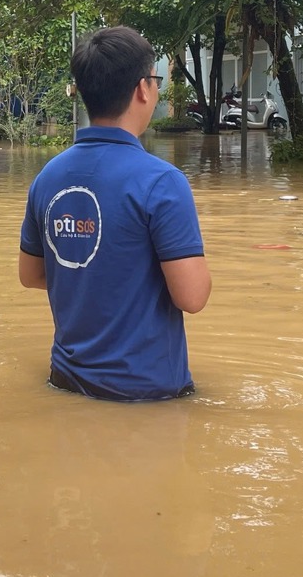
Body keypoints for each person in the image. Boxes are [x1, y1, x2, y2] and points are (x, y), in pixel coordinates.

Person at [18, 26, 211, 401]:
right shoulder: (162, 182)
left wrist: (101, 274)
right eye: (156, 80)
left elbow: (31, 275)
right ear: (143, 88)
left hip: (67, 383)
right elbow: (192, 297)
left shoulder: (47, 178)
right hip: (147, 394)